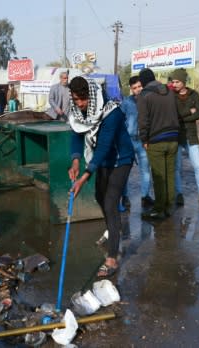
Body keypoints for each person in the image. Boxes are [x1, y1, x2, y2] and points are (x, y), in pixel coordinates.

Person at [67, 76, 134, 277]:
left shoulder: (111, 113)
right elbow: (76, 135)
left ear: (92, 95)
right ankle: (113, 230)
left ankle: (112, 258)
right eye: (76, 99)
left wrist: (84, 176)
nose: (80, 104)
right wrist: (76, 160)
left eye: (83, 99)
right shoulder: (79, 112)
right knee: (99, 196)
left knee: (110, 203)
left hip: (120, 159)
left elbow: (104, 146)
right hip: (102, 161)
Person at [137, 68, 180, 219]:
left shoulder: (144, 95)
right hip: (173, 138)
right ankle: (169, 206)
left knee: (159, 176)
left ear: (142, 82)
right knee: (170, 174)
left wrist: (144, 139)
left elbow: (143, 121)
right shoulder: (169, 92)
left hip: (156, 140)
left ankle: (158, 209)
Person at [170, 68, 199, 205]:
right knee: (177, 168)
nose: (174, 84)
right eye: (173, 81)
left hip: (191, 135)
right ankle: (179, 194)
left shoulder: (194, 94)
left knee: (197, 166)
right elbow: (174, 115)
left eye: (177, 81)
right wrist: (189, 111)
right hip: (176, 135)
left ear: (183, 82)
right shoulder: (171, 96)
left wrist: (183, 117)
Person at [120, 75, 154, 208]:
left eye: (140, 86)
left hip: (143, 141)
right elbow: (120, 120)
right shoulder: (126, 103)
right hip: (129, 141)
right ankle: (125, 197)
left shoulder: (149, 101)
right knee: (125, 171)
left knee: (145, 170)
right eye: (135, 88)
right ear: (131, 89)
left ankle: (145, 196)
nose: (138, 89)